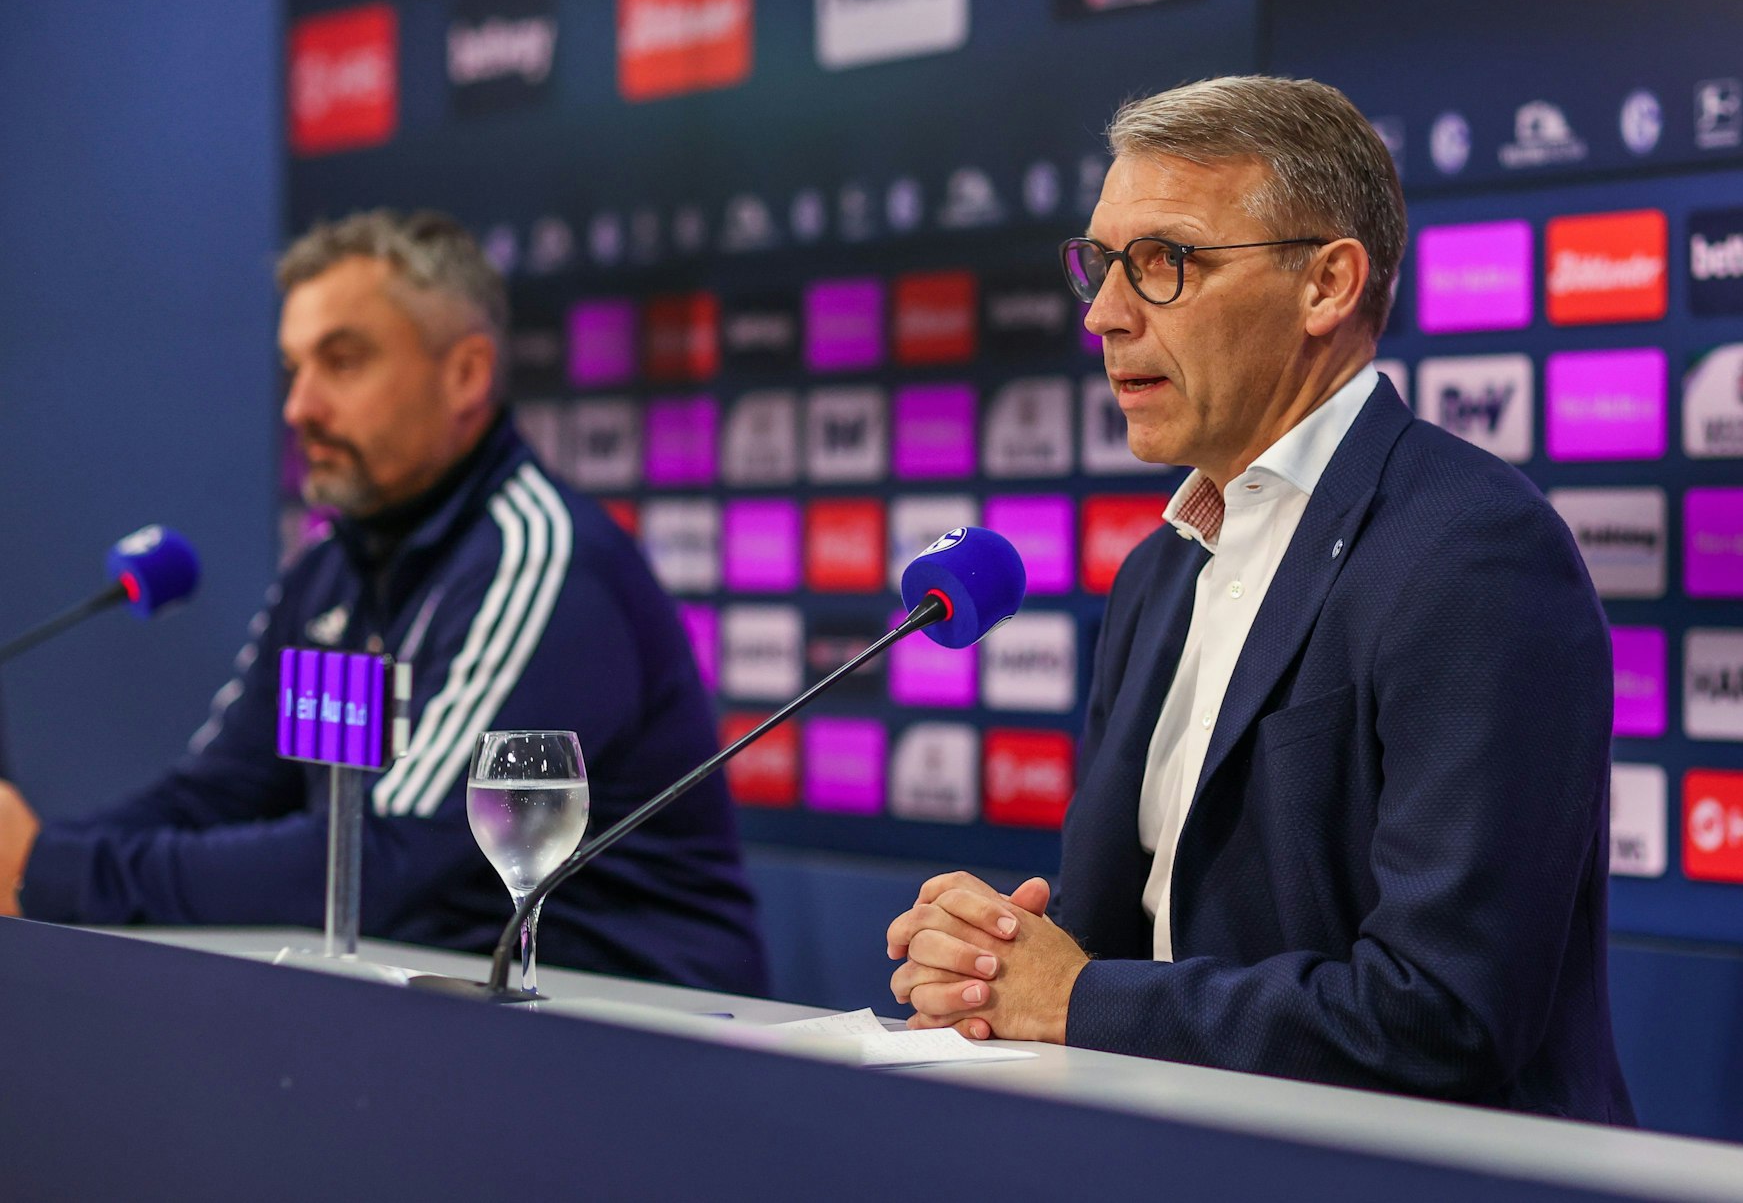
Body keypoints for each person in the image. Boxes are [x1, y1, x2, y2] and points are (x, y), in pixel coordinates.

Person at [887, 75, 1633, 1122]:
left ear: (1326, 284)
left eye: (1162, 263)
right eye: (1100, 265)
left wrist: (1076, 996)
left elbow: (1442, 1013)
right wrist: (992, 963)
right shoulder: (1158, 571)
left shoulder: (1473, 553)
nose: (1104, 313)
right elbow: (1115, 945)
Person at [0, 209, 767, 996]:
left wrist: (46, 869)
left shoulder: (543, 559)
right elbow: (222, 791)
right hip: (420, 1011)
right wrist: (34, 858)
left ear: (464, 375)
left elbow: (387, 856)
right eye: (294, 368)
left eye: (342, 361)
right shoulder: (329, 565)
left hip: (625, 1035)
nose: (300, 407)